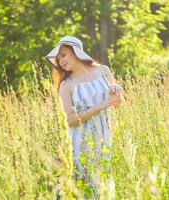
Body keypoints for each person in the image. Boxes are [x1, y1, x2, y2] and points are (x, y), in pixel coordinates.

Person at [46, 36, 122, 199]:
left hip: (103, 142)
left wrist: (117, 93)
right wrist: (98, 107)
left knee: (101, 190)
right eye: (59, 58)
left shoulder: (104, 71)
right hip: (79, 146)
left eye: (64, 55)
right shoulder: (67, 85)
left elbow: (116, 103)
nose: (61, 61)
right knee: (77, 192)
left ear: (76, 52)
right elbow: (69, 120)